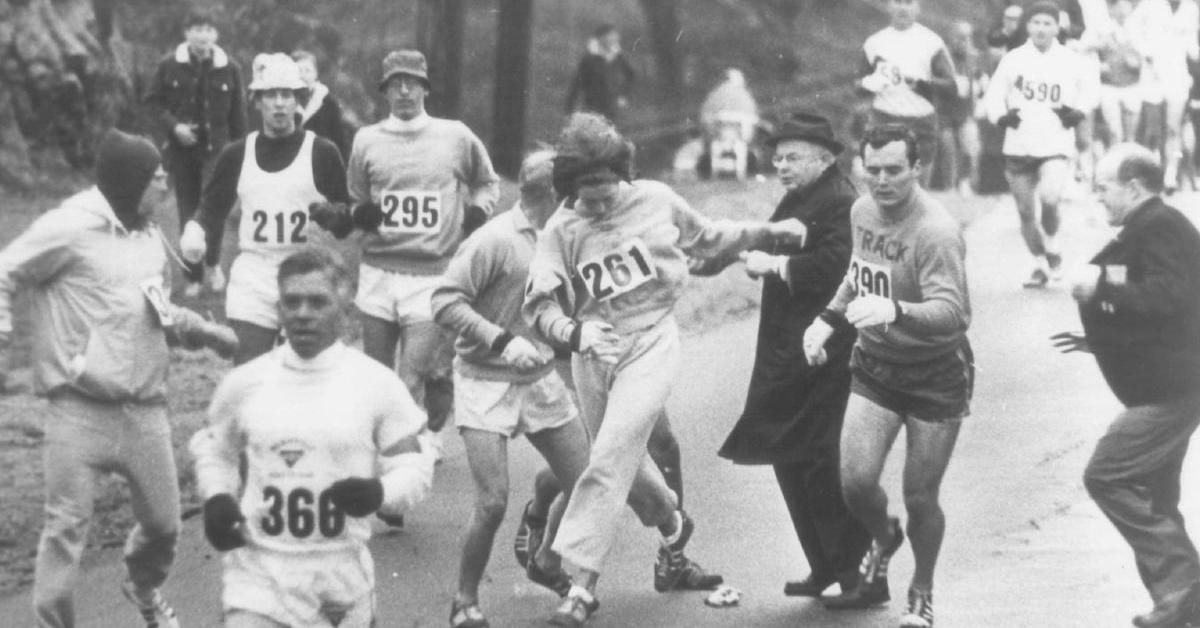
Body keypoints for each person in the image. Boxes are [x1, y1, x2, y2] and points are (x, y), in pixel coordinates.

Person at [522, 112, 807, 625]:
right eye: (588, 193)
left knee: (609, 454)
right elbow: (539, 306)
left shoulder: (655, 199)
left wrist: (769, 233)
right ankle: (675, 526)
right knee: (623, 464)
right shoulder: (562, 229)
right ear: (568, 188)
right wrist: (575, 332)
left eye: (608, 187)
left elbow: (708, 238)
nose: (601, 202)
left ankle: (579, 584)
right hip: (595, 353)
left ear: (622, 174)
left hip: (651, 338)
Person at [0, 129, 239, 628]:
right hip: (78, 408)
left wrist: (207, 333)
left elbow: (154, 310)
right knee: (64, 529)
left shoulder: (150, 235)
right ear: (129, 181)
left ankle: (144, 589)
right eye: (156, 178)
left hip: (145, 409)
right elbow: (5, 270)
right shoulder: (69, 227)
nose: (167, 188)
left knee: (163, 527)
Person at [189, 248, 434, 628]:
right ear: (279, 307)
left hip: (339, 580)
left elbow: (414, 466)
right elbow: (214, 448)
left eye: (317, 302)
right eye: (292, 301)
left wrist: (381, 493)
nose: (302, 313)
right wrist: (218, 496)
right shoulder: (246, 382)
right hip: (259, 574)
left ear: (344, 306)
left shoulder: (376, 384)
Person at [802, 124, 972, 628]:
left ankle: (921, 589)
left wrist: (895, 309)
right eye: (872, 169)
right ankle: (883, 538)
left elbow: (954, 313)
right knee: (855, 484)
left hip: (935, 374)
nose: (882, 180)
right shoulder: (860, 210)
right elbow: (859, 272)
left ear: (917, 169)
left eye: (894, 170)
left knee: (920, 496)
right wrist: (828, 319)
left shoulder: (936, 231)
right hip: (876, 366)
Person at [433, 151, 598, 627]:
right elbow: (444, 300)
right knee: (492, 502)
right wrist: (502, 341)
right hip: (485, 379)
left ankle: (564, 578)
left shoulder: (564, 237)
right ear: (551, 194)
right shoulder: (495, 240)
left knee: (588, 485)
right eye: (572, 194)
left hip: (541, 379)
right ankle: (464, 601)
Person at [715, 113, 871, 598]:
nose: (781, 165)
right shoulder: (805, 196)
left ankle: (854, 573)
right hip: (789, 350)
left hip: (826, 350)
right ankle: (823, 565)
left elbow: (841, 267)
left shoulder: (842, 200)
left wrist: (776, 265)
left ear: (824, 158)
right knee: (788, 452)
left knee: (822, 458)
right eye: (778, 157)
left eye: (793, 157)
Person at [1053, 143, 1200, 628]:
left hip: (1173, 387)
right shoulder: (1147, 227)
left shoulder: (1159, 226)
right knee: (1155, 494)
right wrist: (1101, 338)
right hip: (1167, 382)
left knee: (1109, 475)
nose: (1098, 197)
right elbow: (1160, 307)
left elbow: (1171, 295)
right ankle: (1182, 606)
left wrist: (1101, 290)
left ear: (1134, 186)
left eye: (1103, 187)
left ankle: (1183, 585)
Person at [336, 49, 500, 466]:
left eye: (412, 82)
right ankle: (400, 440)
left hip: (431, 274)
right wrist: (362, 214)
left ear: (425, 88)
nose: (404, 91)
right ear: (386, 90)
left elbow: (486, 182)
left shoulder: (456, 136)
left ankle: (404, 457)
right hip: (377, 270)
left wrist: (478, 212)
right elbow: (355, 199)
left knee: (415, 373)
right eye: (396, 83)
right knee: (378, 374)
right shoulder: (367, 139)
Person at [179, 53, 350, 365]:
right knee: (250, 367)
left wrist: (334, 215)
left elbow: (346, 217)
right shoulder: (236, 153)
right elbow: (211, 206)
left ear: (300, 99)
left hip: (305, 272)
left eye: (287, 95)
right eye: (271, 95)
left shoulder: (322, 151)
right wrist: (196, 230)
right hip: (255, 272)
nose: (280, 104)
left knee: (306, 371)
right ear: (257, 101)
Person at [984, 1, 1100, 288]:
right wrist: (1001, 117)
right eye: (1035, 22)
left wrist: (1078, 112)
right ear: (1027, 26)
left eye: (1047, 23)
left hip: (1055, 142)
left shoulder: (1070, 59)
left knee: (1049, 199)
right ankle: (1039, 263)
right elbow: (994, 94)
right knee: (1025, 211)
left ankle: (1053, 244)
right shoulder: (1013, 59)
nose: (1041, 28)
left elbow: (1090, 90)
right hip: (1019, 144)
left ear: (1057, 26)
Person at [144, 7, 246, 297]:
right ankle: (193, 277)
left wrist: (241, 154)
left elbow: (238, 117)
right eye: (196, 29)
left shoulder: (231, 68)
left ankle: (213, 263)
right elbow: (152, 103)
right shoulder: (169, 65)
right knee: (188, 211)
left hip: (218, 153)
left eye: (208, 30)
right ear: (186, 33)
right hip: (183, 152)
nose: (202, 35)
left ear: (216, 34)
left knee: (212, 211)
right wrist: (174, 127)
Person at [857, 0, 957, 187]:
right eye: (898, 2)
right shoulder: (874, 42)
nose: (903, 8)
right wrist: (870, 83)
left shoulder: (931, 41)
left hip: (921, 120)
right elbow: (858, 83)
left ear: (918, 8)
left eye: (908, 2)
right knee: (883, 184)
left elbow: (951, 84)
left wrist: (924, 85)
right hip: (884, 117)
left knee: (918, 188)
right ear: (889, 6)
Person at [1128, 0, 1199, 193]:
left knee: (1173, 128)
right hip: (1153, 76)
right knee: (1153, 129)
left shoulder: (1190, 9)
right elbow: (1131, 29)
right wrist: (1145, 51)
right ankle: (1153, 172)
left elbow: (1192, 44)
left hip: (1178, 74)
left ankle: (1171, 174)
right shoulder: (1149, 5)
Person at [939, 20, 984, 194]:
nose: (963, 41)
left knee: (971, 148)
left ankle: (967, 183)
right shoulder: (942, 57)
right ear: (951, 37)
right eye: (959, 36)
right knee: (947, 147)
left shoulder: (974, 57)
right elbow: (931, 81)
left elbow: (981, 78)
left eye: (967, 37)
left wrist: (980, 86)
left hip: (966, 112)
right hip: (944, 111)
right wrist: (951, 84)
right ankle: (949, 187)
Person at [1092, 0, 1143, 146]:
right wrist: (1099, 64)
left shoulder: (1138, 29)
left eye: (1125, 6)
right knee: (1115, 133)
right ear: (1111, 9)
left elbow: (1146, 56)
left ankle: (1129, 165)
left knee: (1131, 136)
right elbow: (1086, 50)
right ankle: (1115, 167)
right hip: (1109, 87)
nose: (1122, 10)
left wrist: (1136, 62)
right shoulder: (1102, 29)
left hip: (1132, 86)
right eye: (1118, 6)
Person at [564, 24, 636, 123]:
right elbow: (577, 83)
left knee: (613, 133)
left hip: (613, 105)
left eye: (615, 37)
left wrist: (624, 95)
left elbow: (631, 75)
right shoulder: (589, 59)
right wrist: (569, 108)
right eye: (610, 36)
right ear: (601, 38)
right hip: (593, 105)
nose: (614, 40)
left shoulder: (618, 56)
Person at [698, 69, 760, 179]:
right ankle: (741, 172)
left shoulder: (714, 96)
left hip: (718, 137)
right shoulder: (745, 96)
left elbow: (705, 119)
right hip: (738, 138)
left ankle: (715, 172)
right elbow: (753, 119)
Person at [292, 50, 350, 158]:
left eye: (307, 71)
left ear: (316, 74)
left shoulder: (328, 103)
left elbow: (340, 143)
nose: (303, 76)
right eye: (299, 71)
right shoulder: (285, 104)